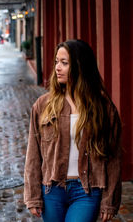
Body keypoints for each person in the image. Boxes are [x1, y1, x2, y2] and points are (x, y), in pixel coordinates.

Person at [24, 39, 122, 222]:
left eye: (64, 63)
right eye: (56, 62)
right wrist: (33, 195)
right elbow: (33, 154)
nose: (57, 68)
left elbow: (114, 157)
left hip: (87, 191)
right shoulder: (43, 105)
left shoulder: (103, 108)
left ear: (80, 66)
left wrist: (109, 201)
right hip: (52, 190)